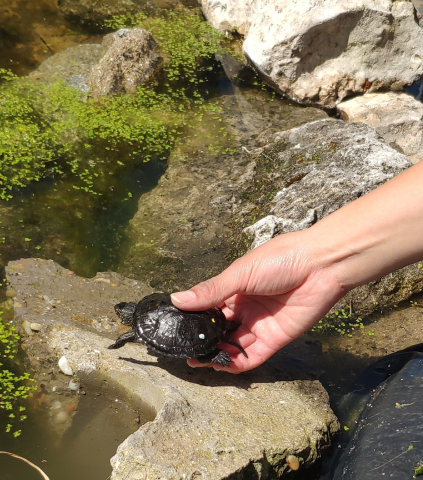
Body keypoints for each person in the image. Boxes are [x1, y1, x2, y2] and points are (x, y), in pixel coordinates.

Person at [170, 160, 423, 373]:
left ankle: (216, 352)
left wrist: (319, 264)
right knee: (214, 347)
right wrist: (319, 264)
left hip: (213, 325)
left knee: (212, 349)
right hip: (213, 325)